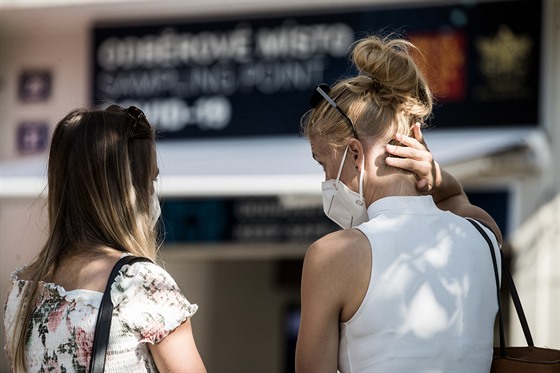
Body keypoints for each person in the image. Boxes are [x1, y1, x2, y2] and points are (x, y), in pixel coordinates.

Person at [295, 34, 503, 373]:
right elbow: (454, 198)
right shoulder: (484, 235)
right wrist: (437, 177)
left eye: (323, 164)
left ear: (356, 154)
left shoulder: (332, 256)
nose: (326, 180)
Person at [3, 105, 206, 372]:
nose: (153, 194)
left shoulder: (23, 292)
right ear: (126, 192)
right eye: (150, 181)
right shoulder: (140, 284)